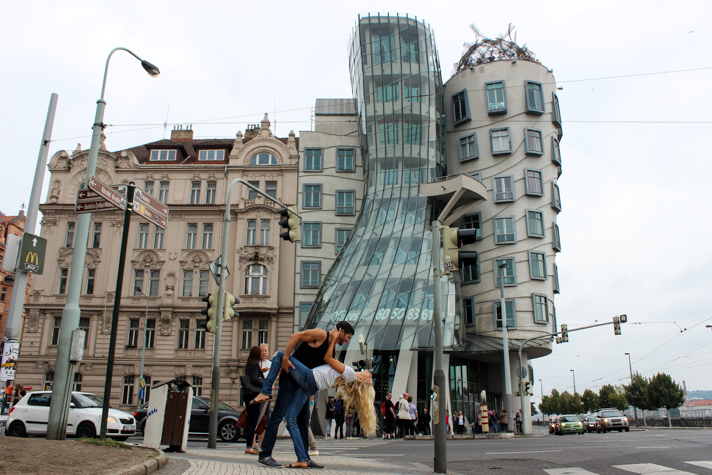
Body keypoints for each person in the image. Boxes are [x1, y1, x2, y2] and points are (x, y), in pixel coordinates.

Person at [252, 326, 374, 467]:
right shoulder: (321, 334)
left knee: (303, 420)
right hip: (290, 379)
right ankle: (266, 454)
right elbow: (294, 337)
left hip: (304, 385)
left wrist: (310, 394)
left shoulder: (332, 351)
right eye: (348, 337)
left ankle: (305, 458)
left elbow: (324, 375)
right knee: (278, 414)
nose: (347, 341)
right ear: (341, 332)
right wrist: (286, 357)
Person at [242, 346, 265, 455]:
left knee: (251, 420)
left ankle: (249, 445)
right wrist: (264, 384)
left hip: (247, 395)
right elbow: (255, 379)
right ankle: (249, 446)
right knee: (253, 421)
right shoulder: (255, 364)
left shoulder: (248, 365)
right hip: (255, 396)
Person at [253, 343, 272, 451]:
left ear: (268, 352)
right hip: (257, 393)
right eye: (262, 350)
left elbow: (272, 378)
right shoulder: (256, 364)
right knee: (255, 418)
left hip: (267, 394)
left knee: (264, 419)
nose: (264, 352)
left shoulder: (270, 364)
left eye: (265, 350)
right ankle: (253, 443)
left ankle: (261, 444)